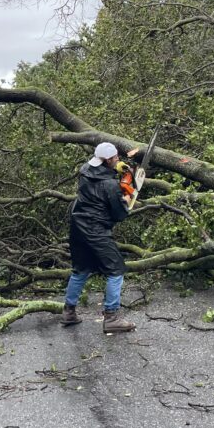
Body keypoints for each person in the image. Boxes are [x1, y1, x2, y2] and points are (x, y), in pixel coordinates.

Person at [61, 142, 136, 333]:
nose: (118, 160)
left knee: (81, 269)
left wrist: (121, 174)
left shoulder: (85, 171)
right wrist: (127, 198)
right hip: (96, 230)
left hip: (78, 227)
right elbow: (119, 213)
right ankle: (111, 317)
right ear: (108, 160)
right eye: (116, 158)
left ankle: (69, 312)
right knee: (116, 269)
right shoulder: (110, 185)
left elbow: (100, 188)